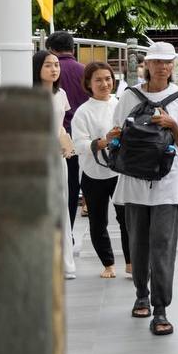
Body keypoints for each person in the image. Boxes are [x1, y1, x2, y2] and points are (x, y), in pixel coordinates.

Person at [112, 41, 178, 335]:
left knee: (162, 245)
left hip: (168, 181)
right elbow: (116, 135)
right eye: (157, 62)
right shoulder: (129, 96)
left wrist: (172, 124)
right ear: (146, 65)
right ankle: (141, 294)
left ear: (173, 65)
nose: (163, 67)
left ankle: (160, 309)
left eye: (167, 62)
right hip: (135, 181)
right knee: (138, 243)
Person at [71, 61, 129, 279]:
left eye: (108, 79)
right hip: (93, 174)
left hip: (120, 172)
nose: (105, 84)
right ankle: (108, 264)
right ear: (88, 83)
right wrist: (105, 141)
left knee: (127, 219)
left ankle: (131, 263)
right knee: (98, 221)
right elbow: (79, 145)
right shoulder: (82, 112)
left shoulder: (120, 105)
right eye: (98, 80)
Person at [36, 50, 77, 280]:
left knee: (61, 206)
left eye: (56, 65)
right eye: (48, 65)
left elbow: (60, 124)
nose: (54, 69)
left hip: (58, 157)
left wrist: (65, 141)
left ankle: (65, 263)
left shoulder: (60, 94)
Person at [47, 31, 87, 228]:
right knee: (73, 184)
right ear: (72, 48)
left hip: (59, 134)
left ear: (51, 49)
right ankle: (68, 230)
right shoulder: (85, 71)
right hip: (82, 135)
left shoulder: (49, 72)